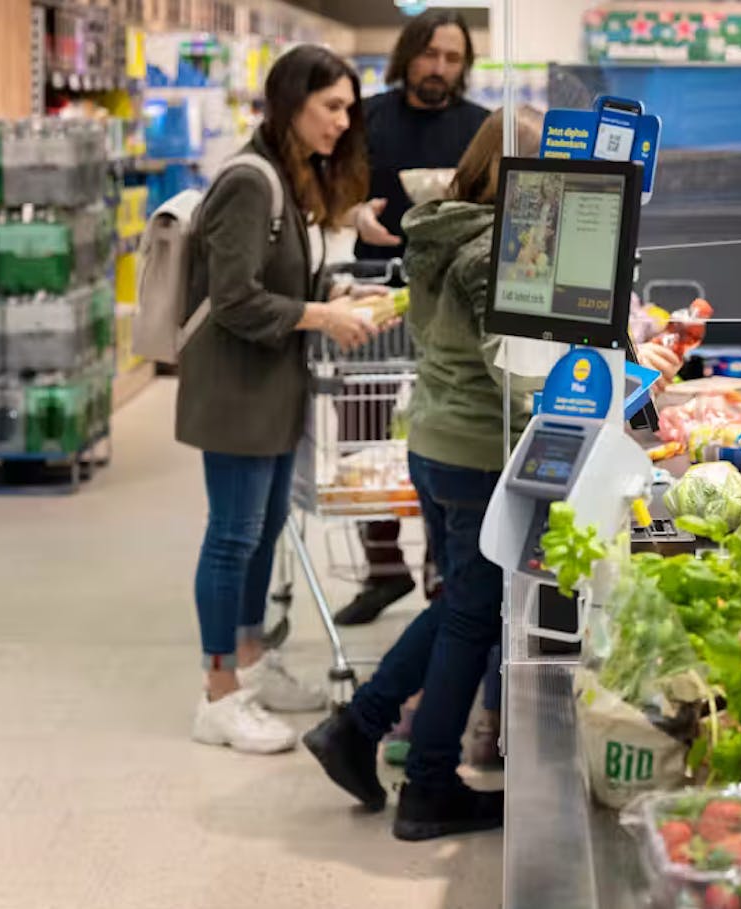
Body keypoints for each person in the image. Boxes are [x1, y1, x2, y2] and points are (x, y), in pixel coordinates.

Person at [303, 108, 680, 839]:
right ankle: (428, 786)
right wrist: (616, 384)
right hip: (479, 451)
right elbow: (517, 371)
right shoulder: (494, 253)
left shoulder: (443, 228)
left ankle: (360, 725)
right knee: (473, 617)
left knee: (461, 605)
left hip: (437, 439)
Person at [176, 45, 385, 753]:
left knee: (264, 533)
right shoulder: (248, 180)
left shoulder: (291, 179)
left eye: (349, 107)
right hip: (236, 389)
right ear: (292, 102)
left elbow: (283, 279)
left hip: (272, 386)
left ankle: (251, 662)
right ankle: (217, 692)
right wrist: (322, 317)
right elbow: (233, 297)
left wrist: (340, 296)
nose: (343, 120)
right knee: (232, 537)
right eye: (332, 106)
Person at [333, 8, 492, 628]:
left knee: (438, 435)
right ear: (407, 56)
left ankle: (438, 569)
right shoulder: (365, 119)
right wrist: (352, 216)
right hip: (375, 292)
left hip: (451, 304)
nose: (440, 69)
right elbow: (331, 189)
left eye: (452, 59)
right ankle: (383, 567)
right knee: (362, 430)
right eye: (430, 56)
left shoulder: (481, 128)